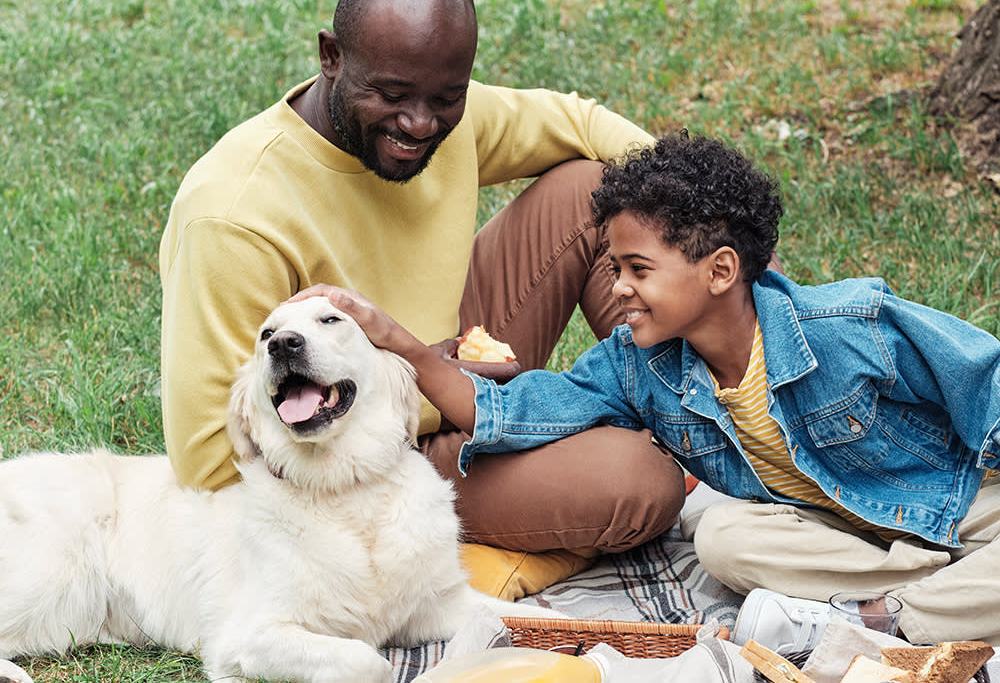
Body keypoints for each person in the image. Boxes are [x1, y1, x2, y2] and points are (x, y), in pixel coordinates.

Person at [324, 130, 1000, 646]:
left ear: (720, 271)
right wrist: (404, 346)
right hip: (841, 527)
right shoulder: (638, 366)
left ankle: (882, 618)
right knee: (723, 542)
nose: (617, 288)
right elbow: (511, 411)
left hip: (960, 494)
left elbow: (983, 379)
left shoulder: (845, 326)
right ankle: (946, 596)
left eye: (637, 269)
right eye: (616, 267)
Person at [159, 0, 685, 595]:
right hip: (363, 453)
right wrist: (414, 380)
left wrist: (701, 208)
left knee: (593, 189)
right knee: (640, 482)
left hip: (452, 362)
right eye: (392, 94)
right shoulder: (236, 213)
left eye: (447, 97)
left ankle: (714, 404)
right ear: (331, 56)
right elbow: (207, 458)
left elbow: (577, 121)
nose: (418, 124)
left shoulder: (434, 112)